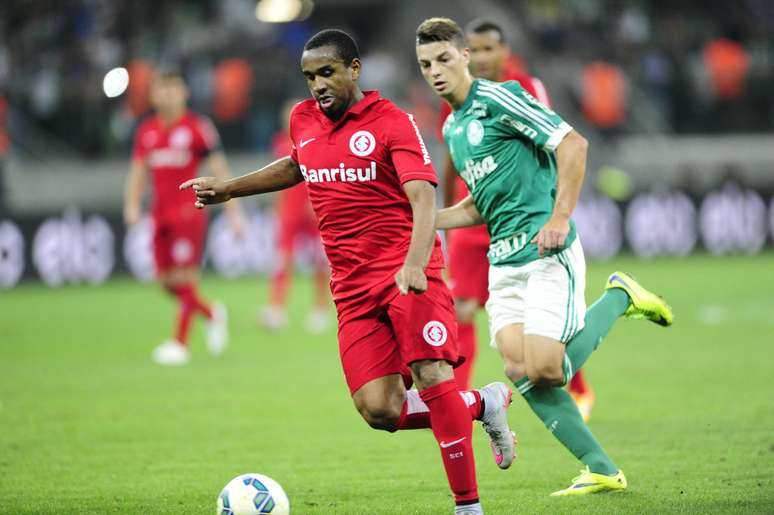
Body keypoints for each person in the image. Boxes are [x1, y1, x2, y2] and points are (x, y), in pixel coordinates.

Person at [182, 29, 515, 515]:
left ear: (353, 70)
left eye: (327, 73)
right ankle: (483, 404)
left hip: (406, 271)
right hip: (352, 289)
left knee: (432, 376)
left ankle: (468, 506)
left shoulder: (391, 122)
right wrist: (232, 188)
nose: (317, 85)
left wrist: (415, 264)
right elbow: (299, 165)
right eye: (309, 76)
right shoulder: (303, 120)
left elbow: (424, 198)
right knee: (380, 409)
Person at [415, 18, 673, 496]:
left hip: (545, 248)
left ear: (465, 57)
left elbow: (573, 143)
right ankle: (601, 469)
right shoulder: (453, 127)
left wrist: (559, 217)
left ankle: (619, 296)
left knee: (547, 368)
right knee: (518, 369)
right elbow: (477, 204)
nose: (435, 71)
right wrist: (423, 222)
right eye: (426, 64)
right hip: (503, 262)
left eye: (444, 59)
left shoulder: (501, 98)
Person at [437, 21, 593, 419]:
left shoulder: (521, 89)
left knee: (542, 325)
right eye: (474, 50)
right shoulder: (454, 99)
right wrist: (436, 207)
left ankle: (578, 386)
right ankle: (457, 397)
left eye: (489, 49)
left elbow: (555, 143)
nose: (482, 57)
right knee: (463, 309)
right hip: (475, 216)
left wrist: (555, 211)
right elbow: (454, 154)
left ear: (505, 51)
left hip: (523, 217)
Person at [124, 69, 244, 366]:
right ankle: (212, 313)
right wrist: (132, 204)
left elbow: (219, 169)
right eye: (162, 90)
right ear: (153, 95)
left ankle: (180, 343)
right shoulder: (147, 131)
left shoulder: (196, 127)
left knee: (185, 278)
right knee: (164, 282)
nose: (167, 95)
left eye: (173, 89)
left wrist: (233, 213)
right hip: (160, 214)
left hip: (189, 213)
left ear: (184, 93)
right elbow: (138, 171)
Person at [260, 99, 331, 333]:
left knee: (321, 261)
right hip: (289, 212)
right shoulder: (279, 142)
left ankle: (321, 310)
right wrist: (277, 207)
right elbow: (273, 177)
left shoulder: (316, 139)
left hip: (312, 210)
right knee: (283, 261)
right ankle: (277, 309)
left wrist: (319, 201)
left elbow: (323, 173)